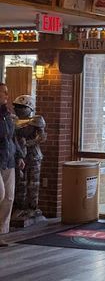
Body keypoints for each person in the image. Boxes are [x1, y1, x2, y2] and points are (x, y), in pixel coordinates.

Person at [13, 94, 46, 222]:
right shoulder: (13, 120)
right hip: (18, 155)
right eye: (17, 106)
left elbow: (41, 137)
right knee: (20, 182)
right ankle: (20, 207)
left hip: (33, 155)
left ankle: (32, 208)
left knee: (33, 183)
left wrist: (27, 143)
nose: (18, 109)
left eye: (22, 107)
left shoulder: (37, 120)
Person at [0, 83, 24, 234]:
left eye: (6, 92)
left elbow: (12, 138)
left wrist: (19, 155)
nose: (6, 95)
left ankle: (1, 231)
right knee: (0, 193)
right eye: (3, 92)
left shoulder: (7, 115)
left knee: (9, 197)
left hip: (9, 159)